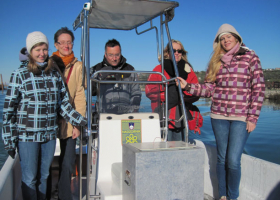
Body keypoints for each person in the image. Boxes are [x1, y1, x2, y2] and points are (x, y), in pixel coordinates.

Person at [176, 24, 265, 200]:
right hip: (218, 116)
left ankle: (233, 197)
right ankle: (222, 195)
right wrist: (188, 86)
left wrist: (253, 117)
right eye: (222, 39)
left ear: (236, 38)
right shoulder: (216, 61)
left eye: (228, 37)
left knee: (233, 160)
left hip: (241, 116)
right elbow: (209, 89)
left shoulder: (251, 57)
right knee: (221, 158)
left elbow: (259, 88)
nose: (225, 41)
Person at [2, 31, 87, 200]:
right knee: (29, 178)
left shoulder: (54, 74)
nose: (42, 54)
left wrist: (80, 121)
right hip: (28, 137)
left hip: (49, 135)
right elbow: (9, 110)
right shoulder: (20, 74)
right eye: (37, 50)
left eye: (44, 49)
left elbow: (63, 104)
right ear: (30, 51)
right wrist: (9, 140)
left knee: (44, 177)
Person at [51, 27, 86, 200]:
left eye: (69, 42)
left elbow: (79, 94)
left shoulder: (78, 66)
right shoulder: (48, 64)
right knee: (45, 164)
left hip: (70, 120)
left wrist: (78, 124)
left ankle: (64, 196)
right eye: (62, 42)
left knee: (67, 163)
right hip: (49, 122)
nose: (66, 45)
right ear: (56, 44)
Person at [145, 39, 199, 141]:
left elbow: (196, 92)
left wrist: (183, 96)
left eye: (180, 51)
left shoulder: (188, 70)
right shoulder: (159, 69)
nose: (177, 53)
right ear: (167, 52)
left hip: (182, 117)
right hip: (163, 116)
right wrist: (169, 94)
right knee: (164, 149)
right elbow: (149, 91)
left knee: (181, 149)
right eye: (173, 50)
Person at [90, 39, 141, 114]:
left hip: (126, 114)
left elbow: (136, 92)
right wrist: (98, 78)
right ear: (105, 54)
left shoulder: (130, 69)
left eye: (117, 55)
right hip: (104, 115)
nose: (114, 58)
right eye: (110, 55)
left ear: (120, 53)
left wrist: (134, 109)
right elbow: (91, 92)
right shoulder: (97, 70)